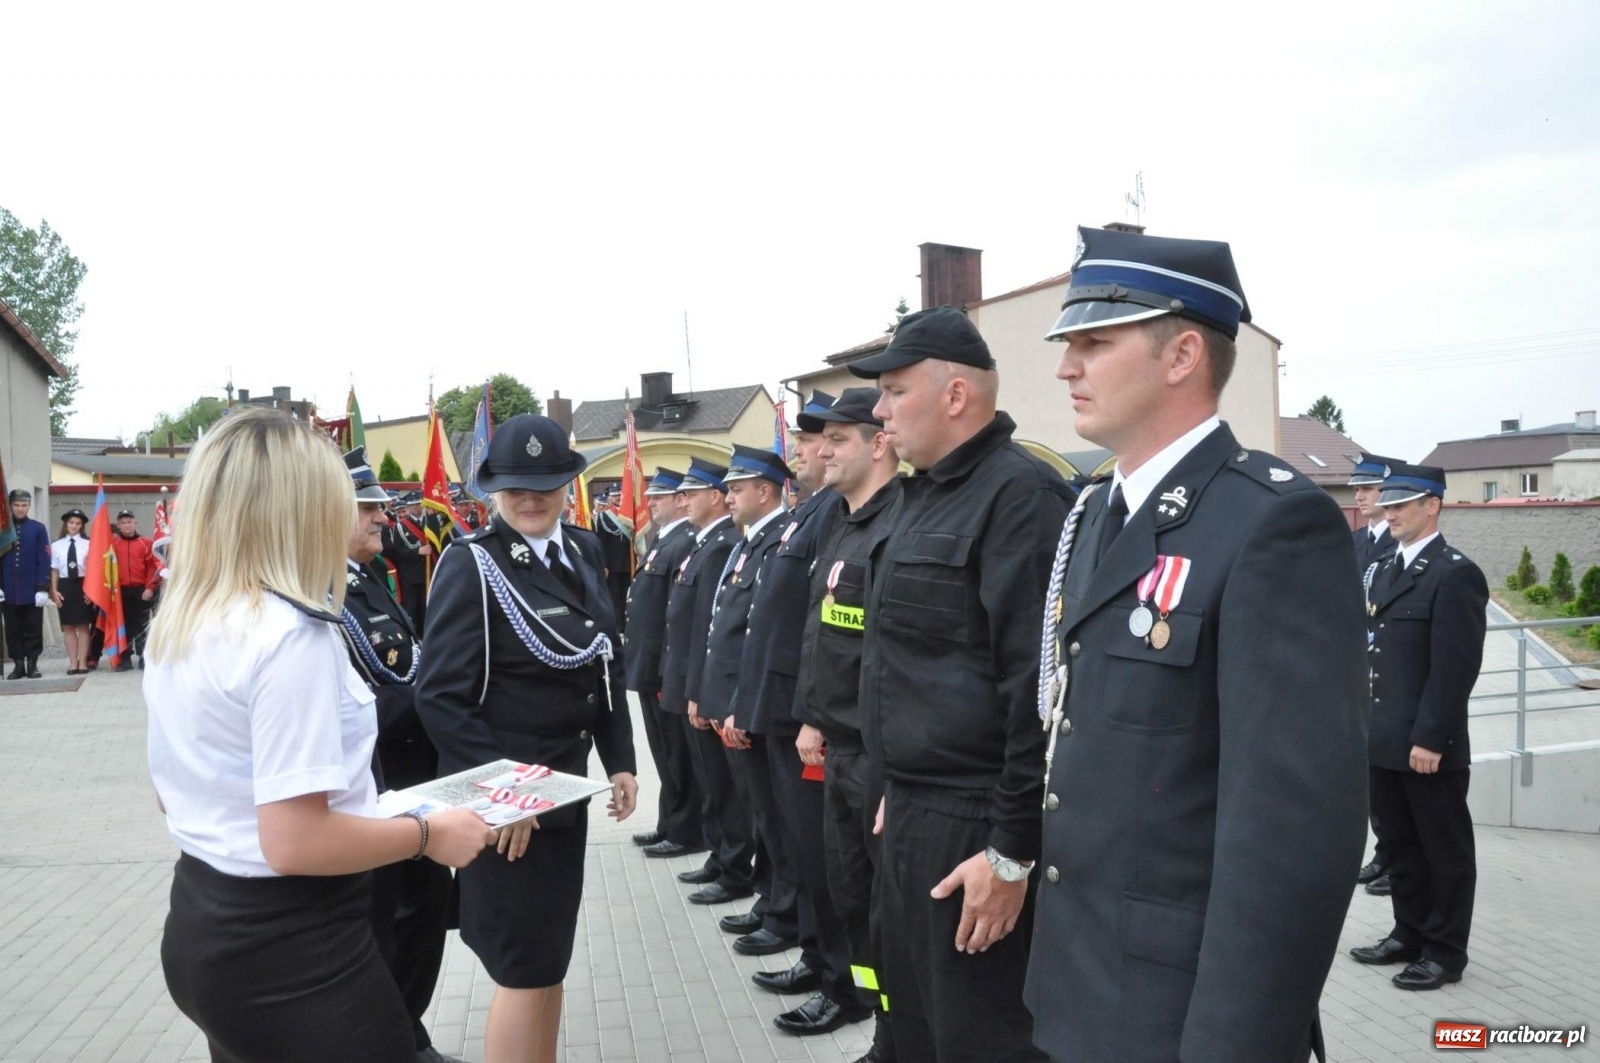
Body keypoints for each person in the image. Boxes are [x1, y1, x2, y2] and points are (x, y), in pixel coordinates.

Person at [1031, 226, 1368, 1063]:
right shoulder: (1095, 514)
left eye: (1093, 342)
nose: (1066, 366)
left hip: (1177, 1014)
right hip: (1079, 989)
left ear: (1182, 355)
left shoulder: (1271, 523)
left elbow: (1290, 840)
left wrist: (1233, 1043)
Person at [144, 409, 494, 1063]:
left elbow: (179, 793)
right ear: (301, 508)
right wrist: (429, 834)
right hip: (291, 943)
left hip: (204, 915)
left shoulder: (189, 618)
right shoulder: (288, 634)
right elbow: (294, 839)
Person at [849, 306, 1070, 1062]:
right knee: (911, 1024)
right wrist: (894, 781)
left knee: (981, 1036)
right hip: (908, 811)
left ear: (954, 396)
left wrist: (1011, 850)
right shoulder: (921, 496)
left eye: (893, 390)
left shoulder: (1019, 498)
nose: (879, 411)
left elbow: (1036, 692)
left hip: (975, 828)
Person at [415, 414, 638, 1063]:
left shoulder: (585, 551)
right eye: (516, 486)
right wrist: (506, 794)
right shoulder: (472, 564)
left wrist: (620, 758)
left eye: (544, 483)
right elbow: (440, 697)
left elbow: (602, 661)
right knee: (520, 970)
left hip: (562, 799)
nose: (531, 497)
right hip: (514, 813)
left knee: (546, 964)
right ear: (494, 491)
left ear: (568, 483)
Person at [338, 447, 461, 1063]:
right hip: (382, 792)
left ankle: (406, 1031)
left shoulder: (363, 578)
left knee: (422, 922)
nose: (382, 518)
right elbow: (361, 712)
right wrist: (437, 697)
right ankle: (396, 1039)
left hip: (417, 783)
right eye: (367, 508)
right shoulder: (322, 593)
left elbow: (402, 668)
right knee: (392, 927)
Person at [1349, 463, 1487, 992]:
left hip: (1427, 746)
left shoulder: (1455, 573)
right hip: (1382, 738)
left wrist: (1431, 737)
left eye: (1403, 504)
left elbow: (1455, 669)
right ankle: (1408, 934)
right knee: (1400, 847)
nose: (1392, 513)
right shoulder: (1382, 568)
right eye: (1389, 504)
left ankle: (1445, 952)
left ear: (1433, 505)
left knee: (1443, 851)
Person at [795, 388, 903, 1063]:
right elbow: (824, 634)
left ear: (879, 442)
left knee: (890, 914)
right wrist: (812, 715)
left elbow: (896, 659)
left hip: (879, 759)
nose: (823, 449)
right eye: (822, 437)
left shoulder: (901, 523)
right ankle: (877, 1021)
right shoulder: (842, 520)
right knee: (854, 902)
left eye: (838, 436)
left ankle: (900, 1035)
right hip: (839, 751)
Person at [663, 459, 753, 904]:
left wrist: (696, 688)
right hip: (692, 679)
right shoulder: (707, 544)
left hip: (708, 683)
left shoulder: (720, 546)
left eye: (691, 494)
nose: (683, 501)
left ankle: (733, 865)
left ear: (714, 496)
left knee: (724, 784)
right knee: (712, 781)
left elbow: (706, 627)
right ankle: (721, 857)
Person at [626, 468, 706, 858]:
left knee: (677, 754)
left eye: (659, 497)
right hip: (650, 664)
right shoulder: (662, 540)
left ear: (679, 501)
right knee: (663, 753)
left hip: (663, 666)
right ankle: (669, 821)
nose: (650, 502)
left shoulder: (685, 541)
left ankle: (686, 829)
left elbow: (677, 612)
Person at [1348, 452, 1402, 896]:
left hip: (1388, 669)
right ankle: (1384, 853)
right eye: (1357, 489)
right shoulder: (1356, 540)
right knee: (1373, 775)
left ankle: (1397, 858)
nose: (1359, 496)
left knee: (1391, 771)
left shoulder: (1400, 543)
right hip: (1360, 669)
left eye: (1367, 488)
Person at [3, 488, 51, 679]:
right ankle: (17, 665)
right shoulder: (4, 530)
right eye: (16, 505)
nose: (20, 509)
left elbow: (44, 559)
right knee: (13, 629)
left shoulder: (37, 528)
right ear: (10, 506)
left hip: (31, 589)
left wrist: (42, 587)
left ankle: (32, 664)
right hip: (8, 589)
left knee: (33, 627)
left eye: (24, 505)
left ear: (29, 505)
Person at [111, 509, 162, 670]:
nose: (126, 525)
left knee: (142, 625)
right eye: (123, 522)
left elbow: (153, 567)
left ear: (135, 523)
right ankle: (125, 658)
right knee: (124, 626)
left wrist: (149, 588)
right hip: (121, 591)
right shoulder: (113, 544)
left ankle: (143, 657)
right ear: (118, 525)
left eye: (129, 521)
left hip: (141, 590)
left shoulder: (145, 542)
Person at [50, 508, 95, 674]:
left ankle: (82, 661)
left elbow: (92, 569)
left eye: (77, 523)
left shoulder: (88, 544)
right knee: (68, 626)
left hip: (83, 585)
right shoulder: (56, 545)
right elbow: (54, 569)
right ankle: (72, 662)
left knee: (83, 626)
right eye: (71, 522)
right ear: (65, 524)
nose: (74, 526)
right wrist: (54, 591)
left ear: (82, 526)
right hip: (65, 586)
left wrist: (90, 590)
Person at [383, 495, 433, 635]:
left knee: (427, 605)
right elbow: (398, 552)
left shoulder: (429, 522)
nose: (416, 507)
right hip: (410, 574)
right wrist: (417, 551)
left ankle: (426, 632)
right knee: (412, 606)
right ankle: (414, 635)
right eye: (412, 505)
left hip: (428, 572)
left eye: (418, 503)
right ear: (408, 508)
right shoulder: (401, 526)